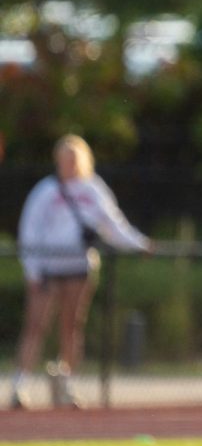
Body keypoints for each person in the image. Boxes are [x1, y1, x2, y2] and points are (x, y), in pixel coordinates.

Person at [11, 135, 153, 409]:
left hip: (79, 269)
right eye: (65, 159)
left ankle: (67, 382)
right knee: (36, 325)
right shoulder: (46, 191)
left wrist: (140, 243)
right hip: (48, 270)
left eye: (74, 159)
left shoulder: (93, 189)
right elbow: (29, 231)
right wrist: (33, 271)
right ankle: (20, 384)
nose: (70, 165)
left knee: (72, 327)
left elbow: (114, 225)